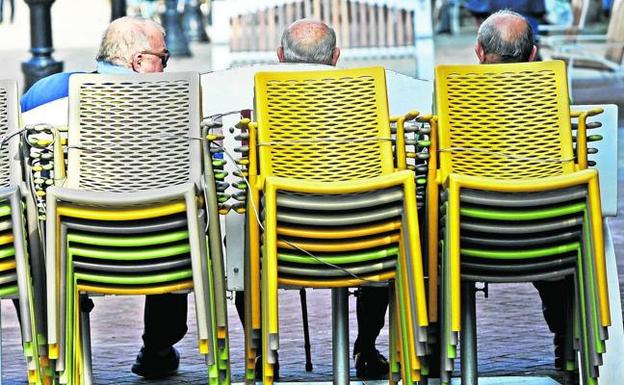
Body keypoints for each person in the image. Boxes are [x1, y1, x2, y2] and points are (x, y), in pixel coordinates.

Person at [21, 17, 186, 380]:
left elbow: (20, 165)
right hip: (157, 253)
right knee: (183, 217)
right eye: (164, 57)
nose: (165, 67)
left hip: (72, 249)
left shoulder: (48, 91)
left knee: (35, 219)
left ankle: (55, 347)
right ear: (139, 61)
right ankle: (159, 346)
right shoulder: (171, 102)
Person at [232, 18, 390, 380]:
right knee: (391, 232)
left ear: (278, 57)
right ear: (336, 57)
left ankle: (257, 352)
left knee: (241, 236)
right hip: (360, 236)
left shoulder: (256, 104)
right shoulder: (366, 96)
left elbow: (246, 168)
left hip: (283, 237)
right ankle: (366, 346)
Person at [475, 9, 570, 369]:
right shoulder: (554, 93)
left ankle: (435, 351)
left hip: (471, 235)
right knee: (558, 241)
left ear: (479, 52)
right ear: (532, 56)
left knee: (425, 246)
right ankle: (567, 340)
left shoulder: (452, 91)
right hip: (543, 231)